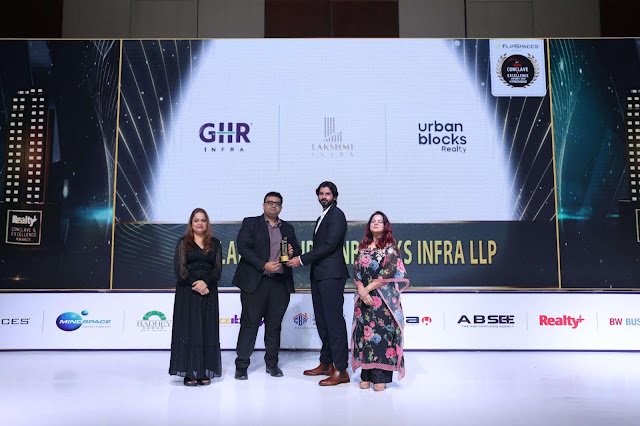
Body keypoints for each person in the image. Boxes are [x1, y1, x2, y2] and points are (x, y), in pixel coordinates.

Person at [233, 192, 301, 380]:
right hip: (256, 283)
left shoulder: (287, 228)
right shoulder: (250, 223)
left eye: (277, 203)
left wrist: (292, 252)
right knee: (249, 324)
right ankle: (242, 365)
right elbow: (243, 247)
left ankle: (272, 364)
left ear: (281, 207)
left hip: (279, 284)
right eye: (269, 203)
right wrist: (263, 264)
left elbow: (297, 250)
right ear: (263, 205)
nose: (273, 206)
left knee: (274, 327)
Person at [287, 181, 350, 386]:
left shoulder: (337, 215)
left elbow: (329, 245)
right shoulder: (323, 216)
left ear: (334, 196)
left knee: (334, 323)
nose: (324, 197)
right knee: (323, 322)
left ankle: (341, 370)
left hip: (332, 276)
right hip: (320, 275)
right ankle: (326, 363)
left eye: (327, 193)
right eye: (321, 194)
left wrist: (301, 259)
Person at [351, 211, 409, 391]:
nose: (375, 224)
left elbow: (387, 274)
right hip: (364, 300)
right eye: (373, 221)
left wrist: (366, 290)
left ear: (385, 226)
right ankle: (366, 374)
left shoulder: (391, 249)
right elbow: (356, 272)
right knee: (365, 335)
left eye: (379, 221)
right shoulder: (363, 247)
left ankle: (380, 376)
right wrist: (362, 291)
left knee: (381, 336)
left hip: (383, 301)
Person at [169, 208, 222, 386]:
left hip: (208, 291)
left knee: (206, 330)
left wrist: (205, 283)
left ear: (207, 223)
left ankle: (204, 370)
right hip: (188, 292)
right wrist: (196, 284)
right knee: (189, 330)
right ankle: (190, 372)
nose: (200, 223)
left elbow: (217, 270)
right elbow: (180, 270)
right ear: (191, 223)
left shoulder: (215, 243)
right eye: (196, 220)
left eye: (203, 220)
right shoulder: (183, 242)